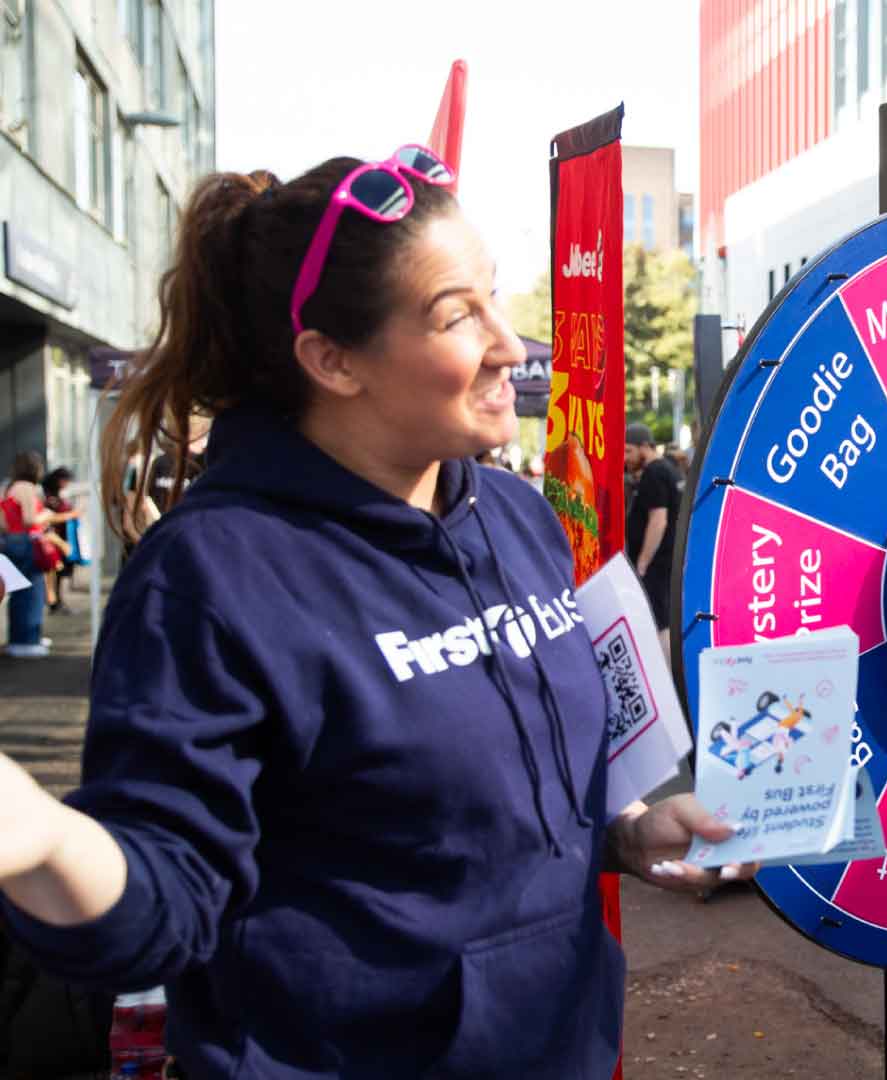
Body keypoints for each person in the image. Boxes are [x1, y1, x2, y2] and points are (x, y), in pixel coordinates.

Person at [0, 150, 749, 1079]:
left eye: (493, 297)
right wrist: (33, 836)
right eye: (456, 315)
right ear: (332, 359)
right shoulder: (207, 579)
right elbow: (162, 910)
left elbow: (493, 793)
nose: (510, 346)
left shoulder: (519, 521)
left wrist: (628, 830)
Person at [624, 423, 683, 646]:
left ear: (644, 447)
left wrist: (642, 563)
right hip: (667, 559)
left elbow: (658, 520)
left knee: (660, 623)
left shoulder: (654, 473)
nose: (625, 457)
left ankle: (667, 676)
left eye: (629, 450)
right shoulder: (669, 468)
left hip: (657, 562)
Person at [2, 452, 53, 658]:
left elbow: (3, 521)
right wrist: (47, 515)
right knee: (32, 591)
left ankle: (19, 639)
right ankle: (28, 641)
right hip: (26, 541)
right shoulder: (28, 489)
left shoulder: (8, 488)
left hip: (10, 541)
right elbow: (30, 519)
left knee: (17, 592)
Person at [40, 467, 83, 614]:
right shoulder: (48, 497)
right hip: (53, 540)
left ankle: (56, 602)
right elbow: (51, 517)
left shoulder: (54, 495)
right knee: (52, 574)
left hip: (58, 538)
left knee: (57, 574)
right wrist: (71, 514)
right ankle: (53, 602)